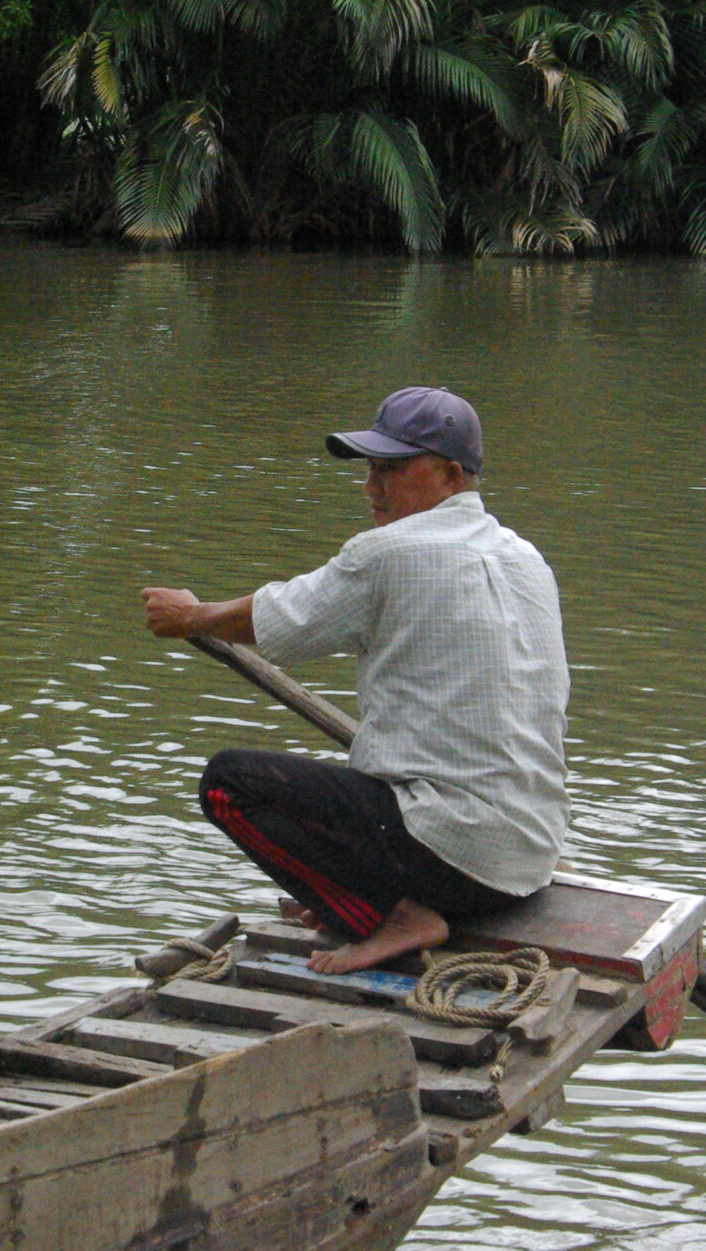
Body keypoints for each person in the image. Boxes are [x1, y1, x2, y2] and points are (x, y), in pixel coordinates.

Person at [140, 386, 570, 975]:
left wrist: (191, 616)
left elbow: (275, 620)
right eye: (370, 468)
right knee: (368, 790)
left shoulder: (387, 553)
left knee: (227, 783)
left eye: (391, 469)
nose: (372, 486)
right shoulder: (527, 558)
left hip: (454, 857)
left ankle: (393, 914)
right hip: (528, 858)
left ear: (449, 475)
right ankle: (362, 897)